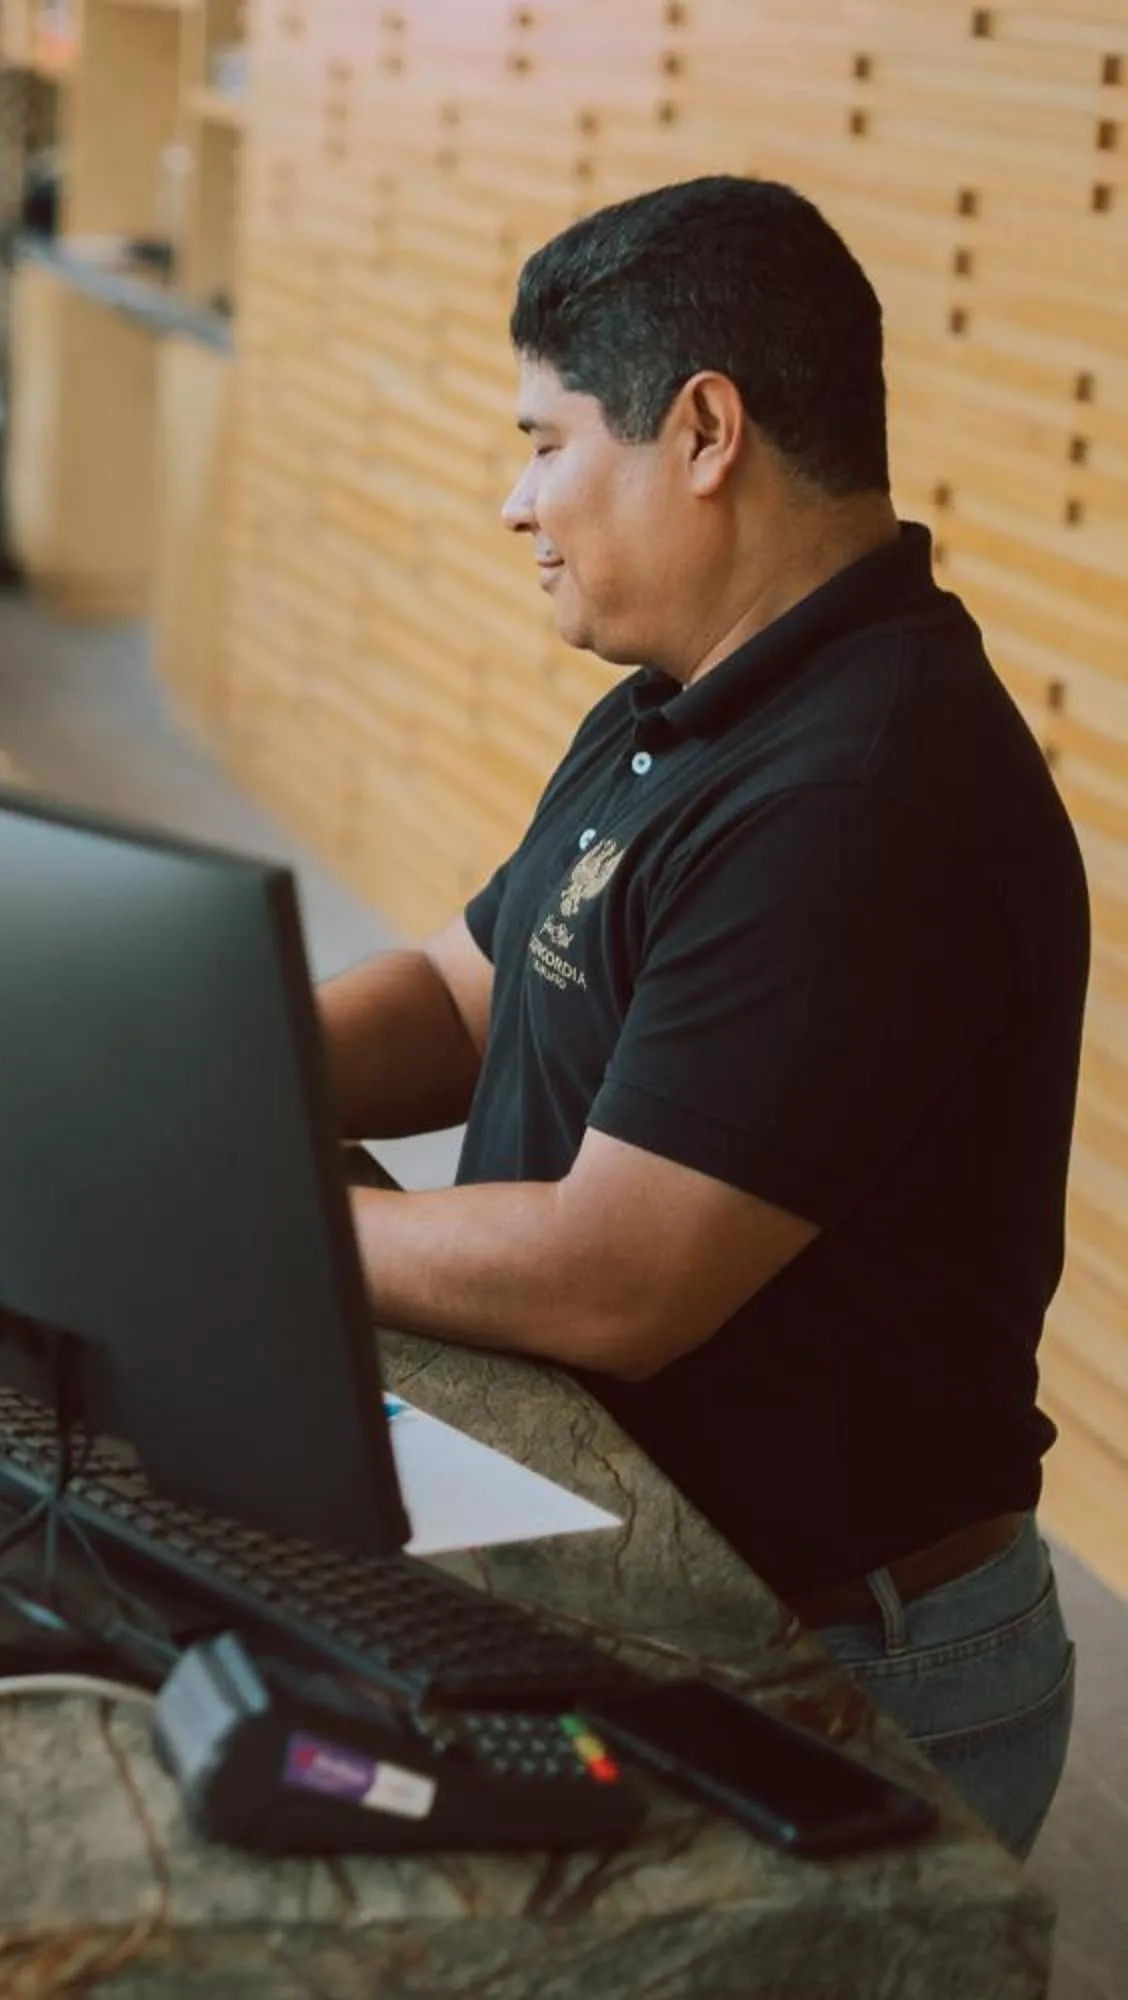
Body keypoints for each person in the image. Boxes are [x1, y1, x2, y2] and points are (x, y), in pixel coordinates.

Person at [317, 176, 1084, 1856]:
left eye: (545, 441)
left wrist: (251, 1204)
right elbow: (467, 987)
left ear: (706, 431)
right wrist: (186, 1056)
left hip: (841, 1662)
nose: (514, 502)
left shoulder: (866, 791)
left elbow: (618, 1279)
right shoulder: (680, 705)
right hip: (643, 1543)